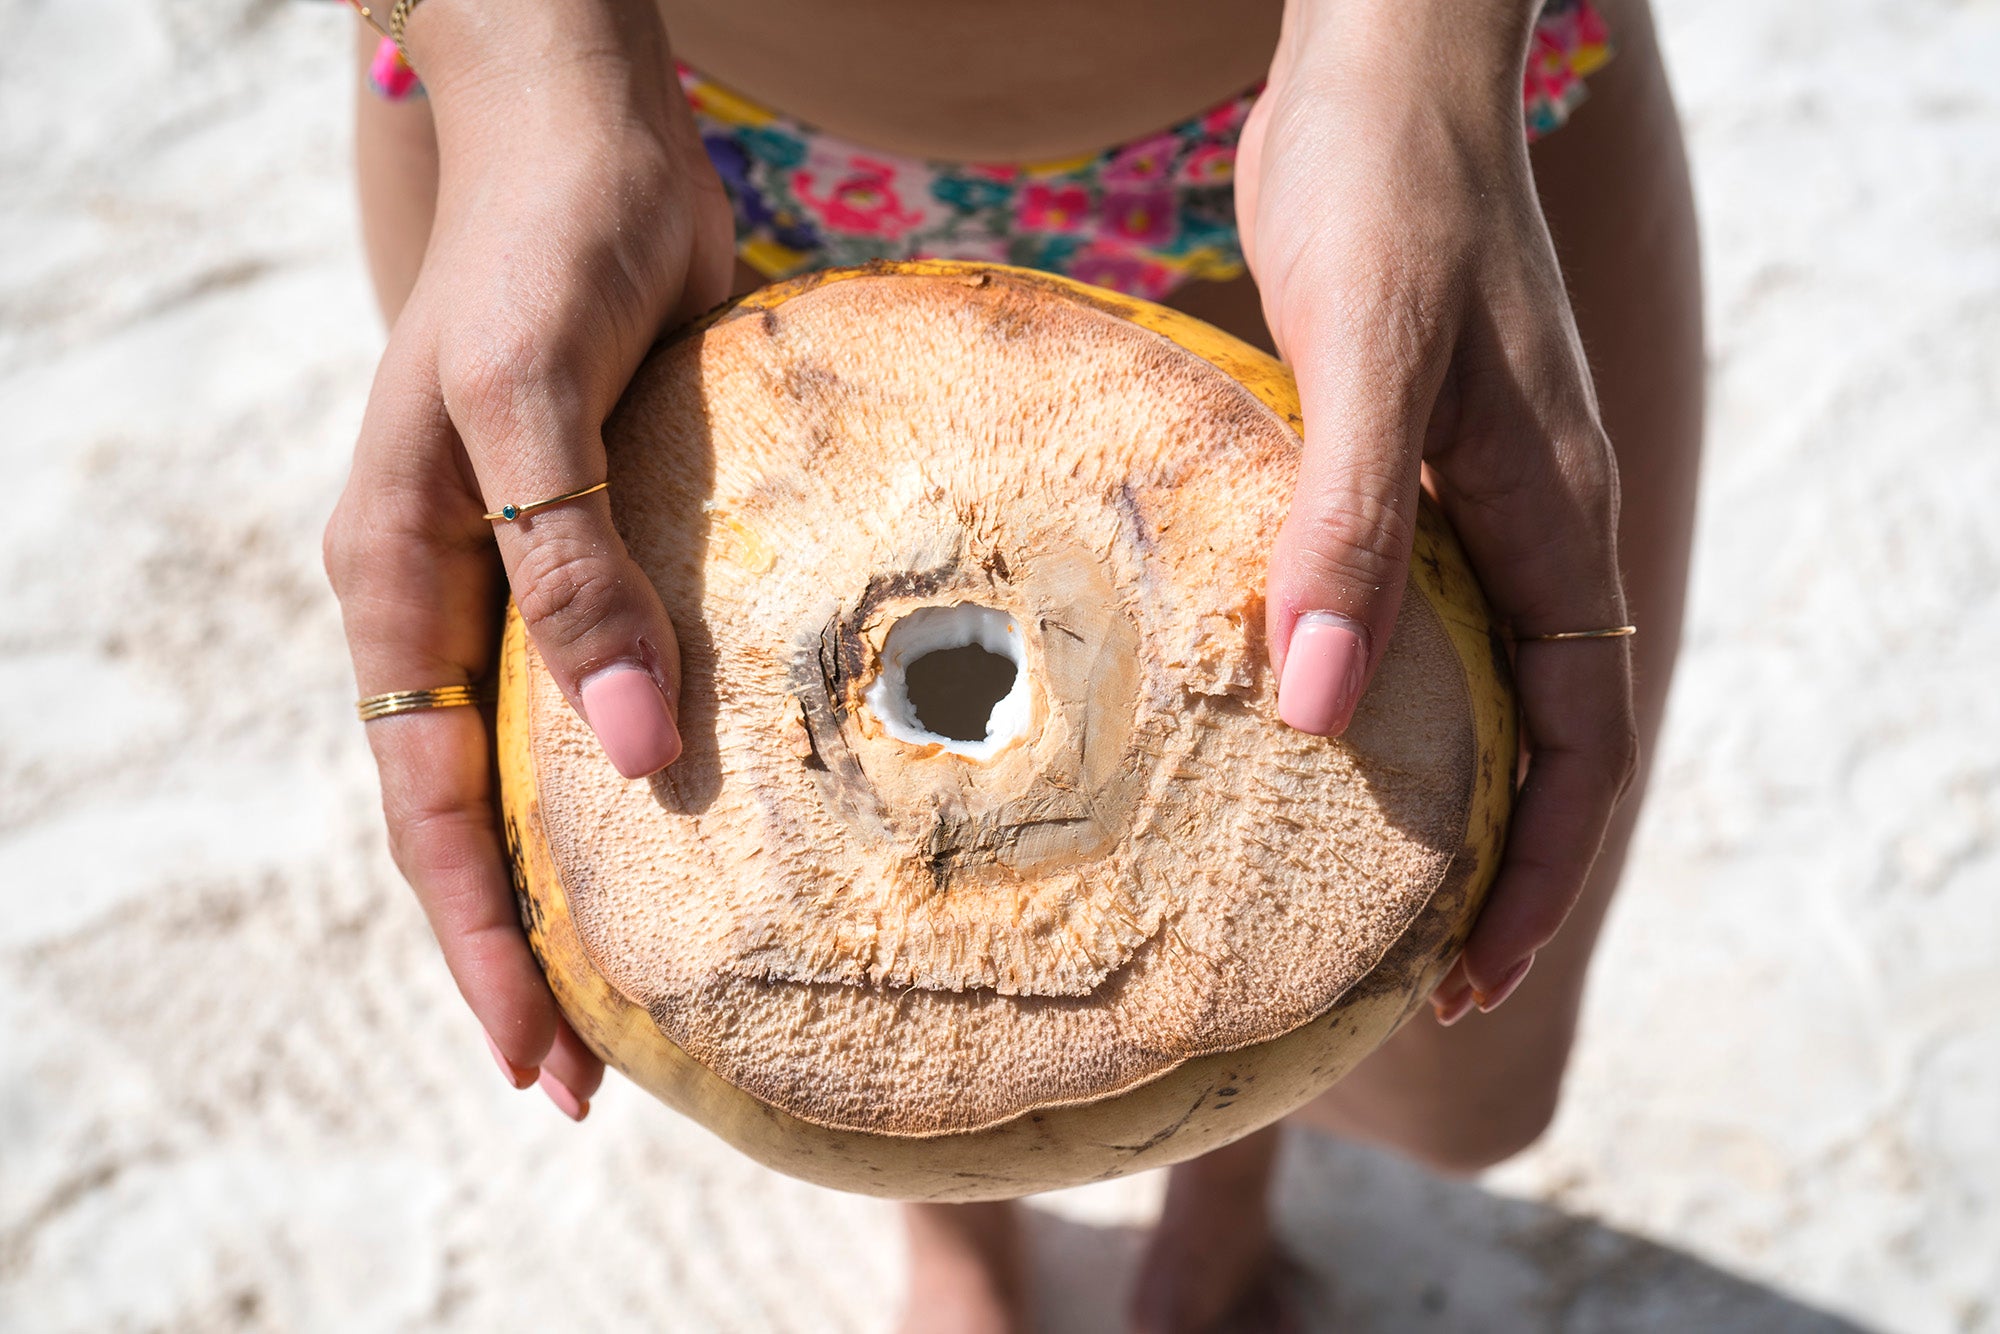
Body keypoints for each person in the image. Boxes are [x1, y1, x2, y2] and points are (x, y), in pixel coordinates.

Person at [322, 0, 1702, 1327]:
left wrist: (1420, 50)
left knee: (1401, 970)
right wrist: (510, 48)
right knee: (812, 910)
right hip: (606, 107)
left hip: (1366, 89)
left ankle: (1229, 1166)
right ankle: (953, 1216)